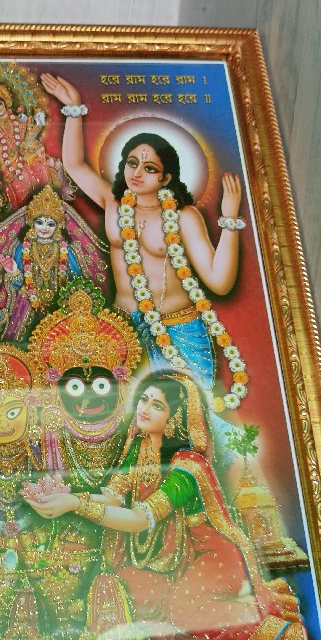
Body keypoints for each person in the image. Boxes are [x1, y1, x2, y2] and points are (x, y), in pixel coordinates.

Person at [24, 372, 314, 640]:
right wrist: (67, 496)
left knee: (185, 615)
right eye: (144, 400)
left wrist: (75, 505)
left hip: (209, 554)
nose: (145, 409)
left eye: (157, 405)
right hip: (169, 557)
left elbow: (139, 520)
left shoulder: (186, 466)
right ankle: (236, 601)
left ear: (175, 417)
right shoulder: (140, 448)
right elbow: (112, 498)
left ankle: (283, 631)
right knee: (132, 597)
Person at [40, 74, 247, 410]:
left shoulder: (183, 217)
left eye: (149, 168)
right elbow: (74, 165)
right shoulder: (113, 203)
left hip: (177, 331)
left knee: (185, 421)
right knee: (124, 422)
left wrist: (230, 220)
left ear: (166, 178)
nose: (136, 173)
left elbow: (220, 282)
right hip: (124, 330)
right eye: (132, 163)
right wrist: (74, 108)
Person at [0, 185, 82, 340]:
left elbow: (75, 280)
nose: (44, 228)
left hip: (59, 302)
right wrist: (13, 272)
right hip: (28, 302)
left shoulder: (66, 250)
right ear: (31, 223)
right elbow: (18, 284)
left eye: (50, 224)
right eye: (40, 222)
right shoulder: (22, 248)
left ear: (58, 226)